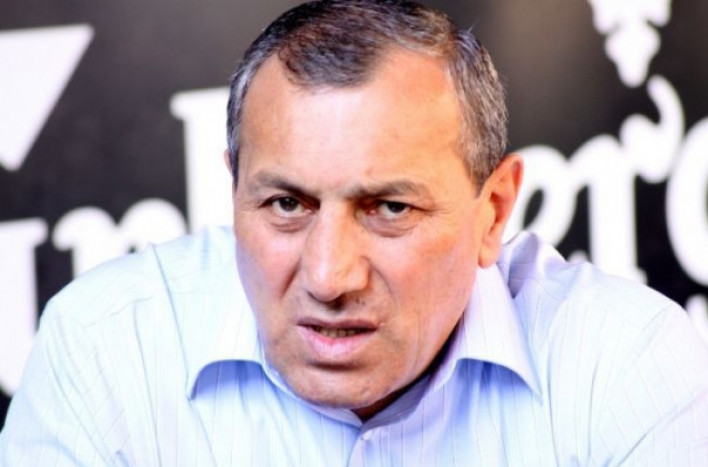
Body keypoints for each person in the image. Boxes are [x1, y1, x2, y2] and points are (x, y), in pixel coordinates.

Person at [2, 0, 708, 464]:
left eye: (389, 209)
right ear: (234, 190)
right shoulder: (104, 350)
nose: (329, 275)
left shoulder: (626, 365)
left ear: (492, 213)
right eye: (286, 204)